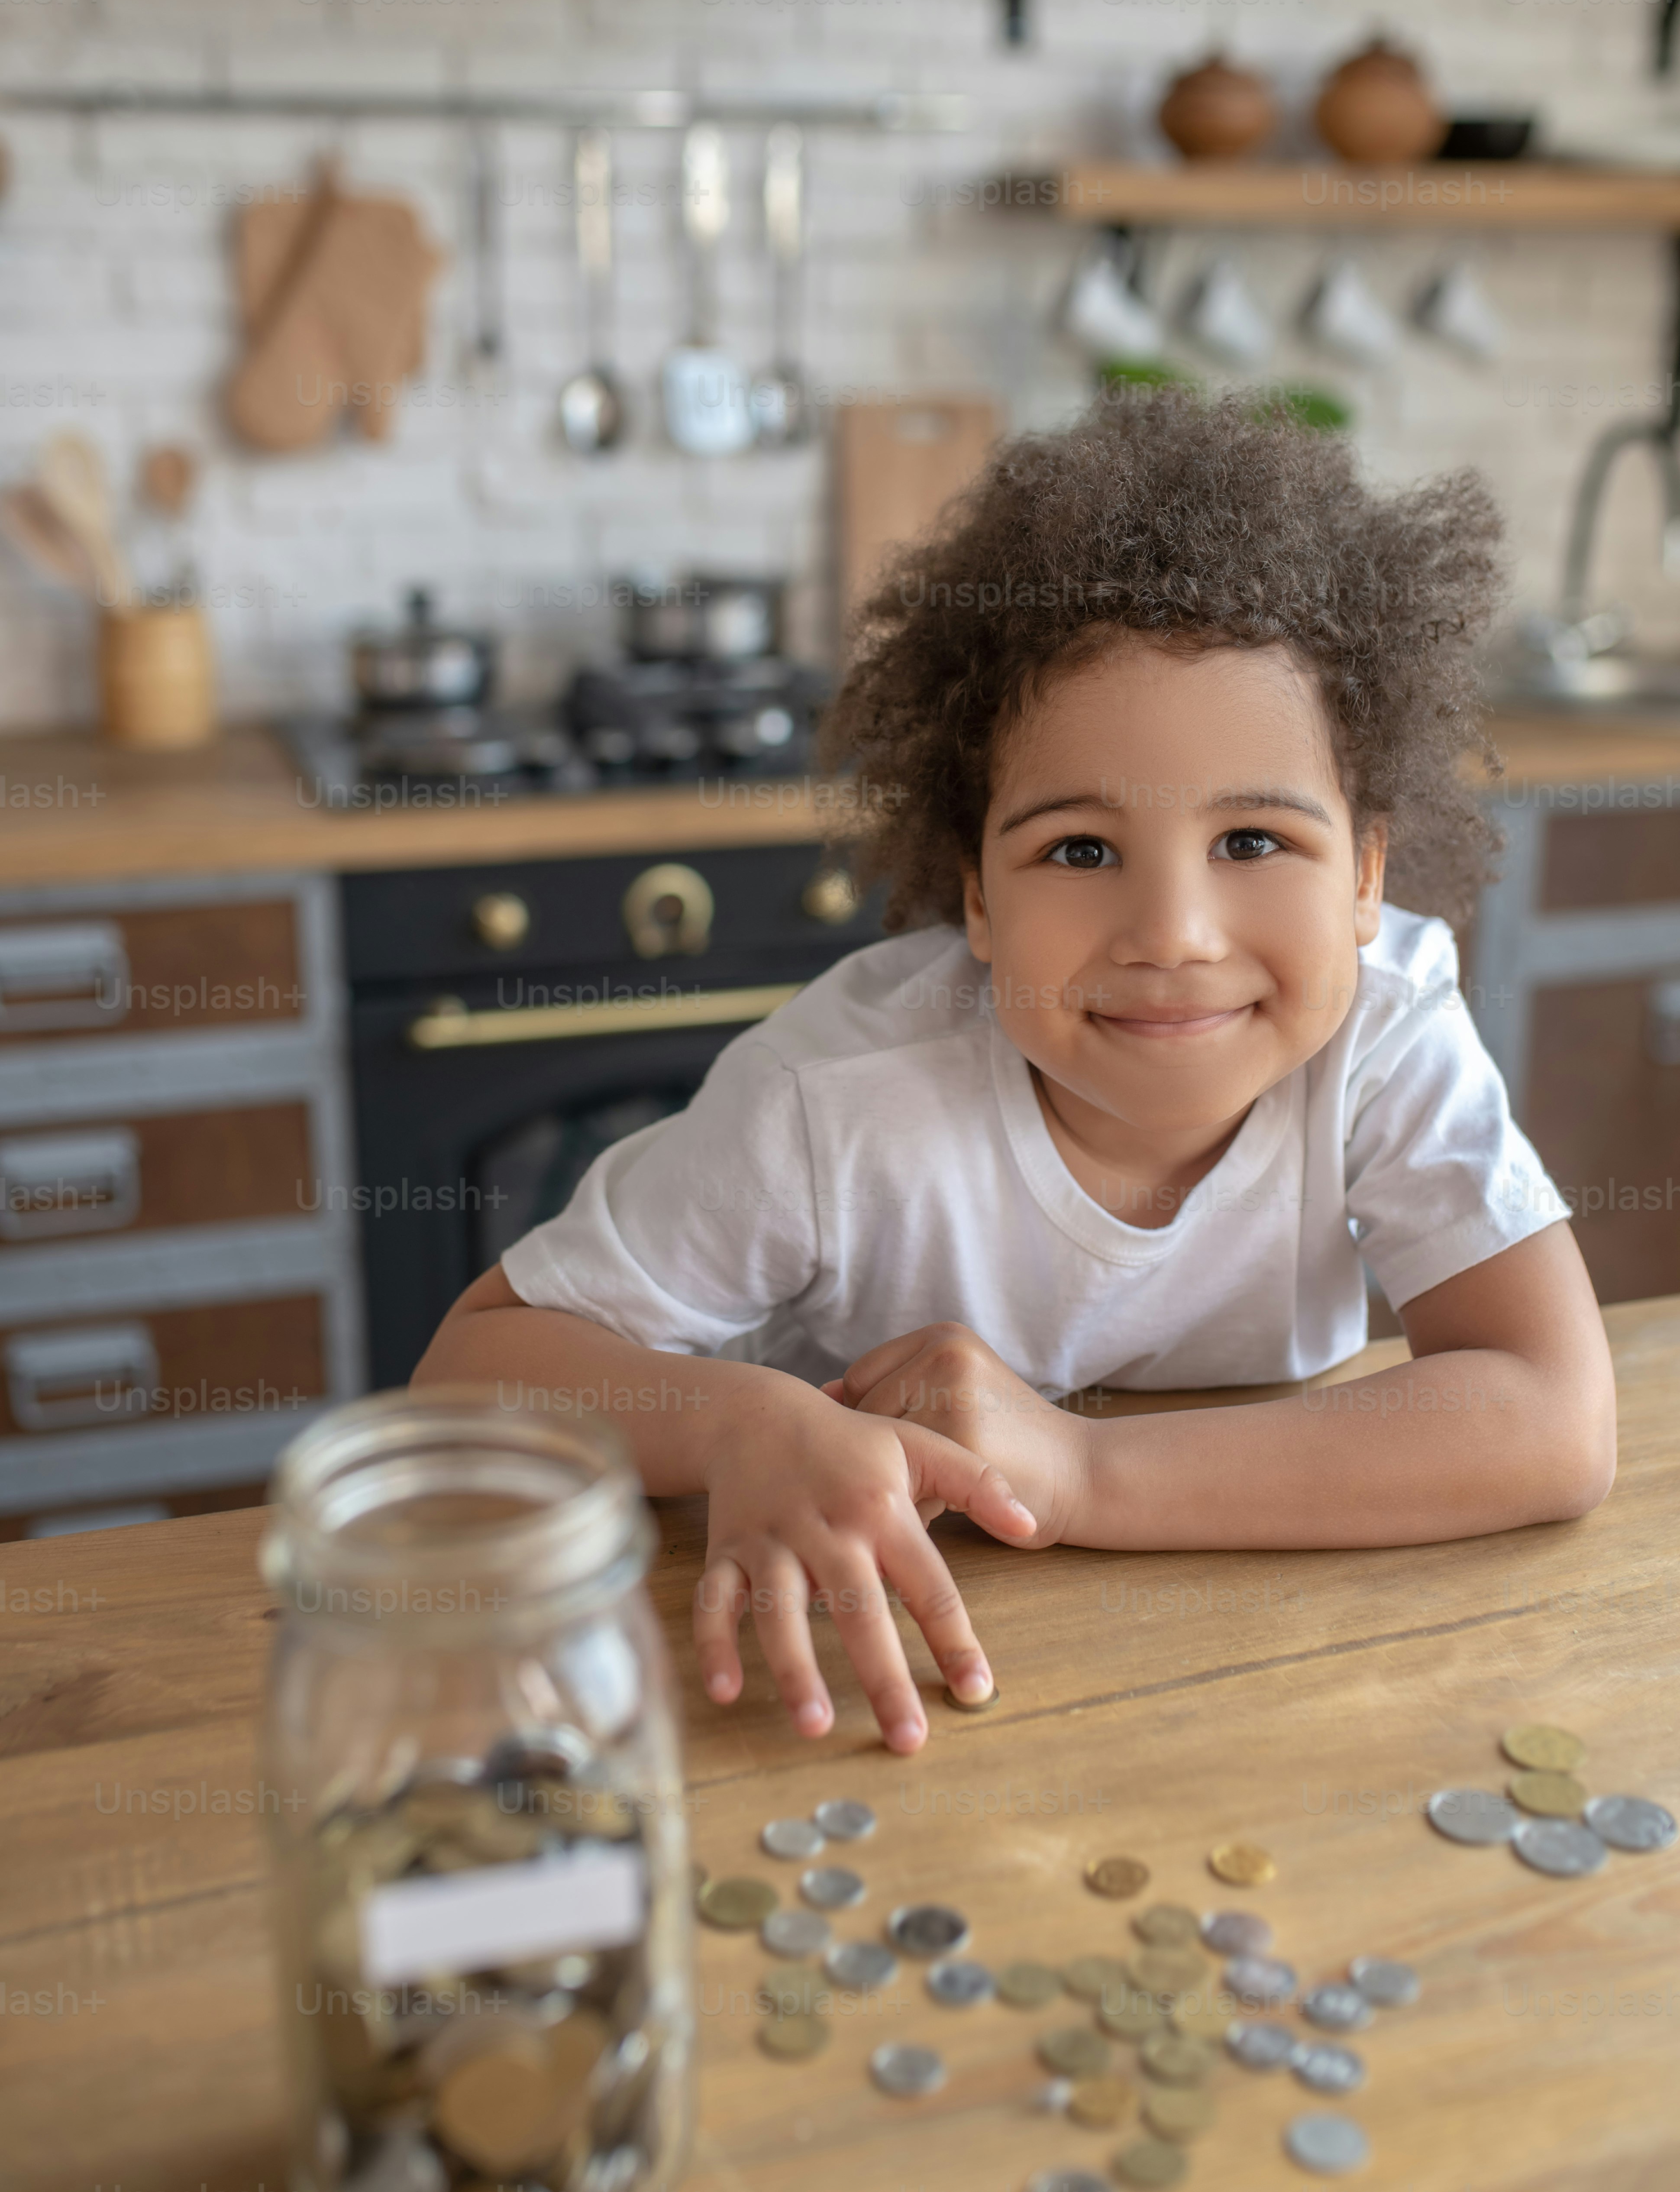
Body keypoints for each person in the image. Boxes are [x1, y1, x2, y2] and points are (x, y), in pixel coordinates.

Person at [417, 390, 1615, 1754]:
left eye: (1255, 841)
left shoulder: (1386, 1028)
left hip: (1261, 1676)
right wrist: (737, 1423)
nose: (1173, 935)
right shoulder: (834, 1101)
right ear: (977, 902)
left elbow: (1553, 1418)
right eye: (1082, 852)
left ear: (1368, 875)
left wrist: (1083, 1471)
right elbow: (470, 1374)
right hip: (891, 1682)